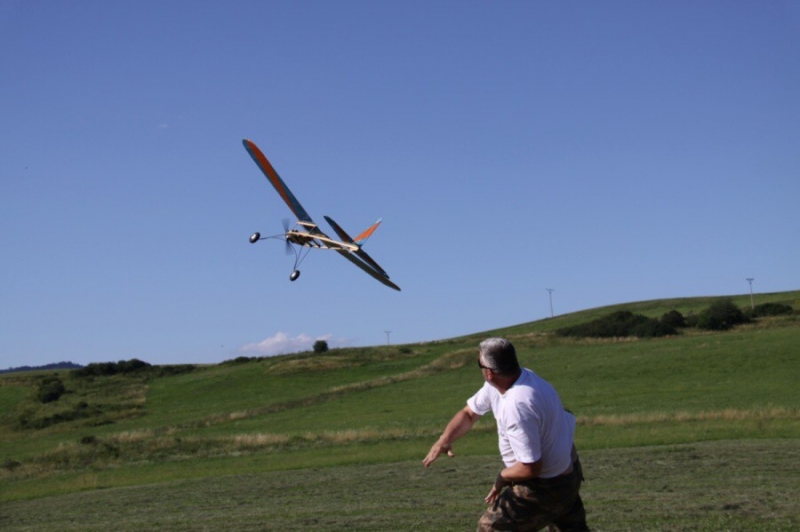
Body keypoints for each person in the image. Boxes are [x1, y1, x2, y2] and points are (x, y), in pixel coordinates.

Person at [422, 338, 589, 531]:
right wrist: (444, 439)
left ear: (489, 373)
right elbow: (469, 414)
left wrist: (502, 476)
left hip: (547, 485)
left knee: (491, 528)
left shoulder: (517, 405)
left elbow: (531, 467)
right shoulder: (514, 380)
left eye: (479, 364)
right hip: (565, 470)